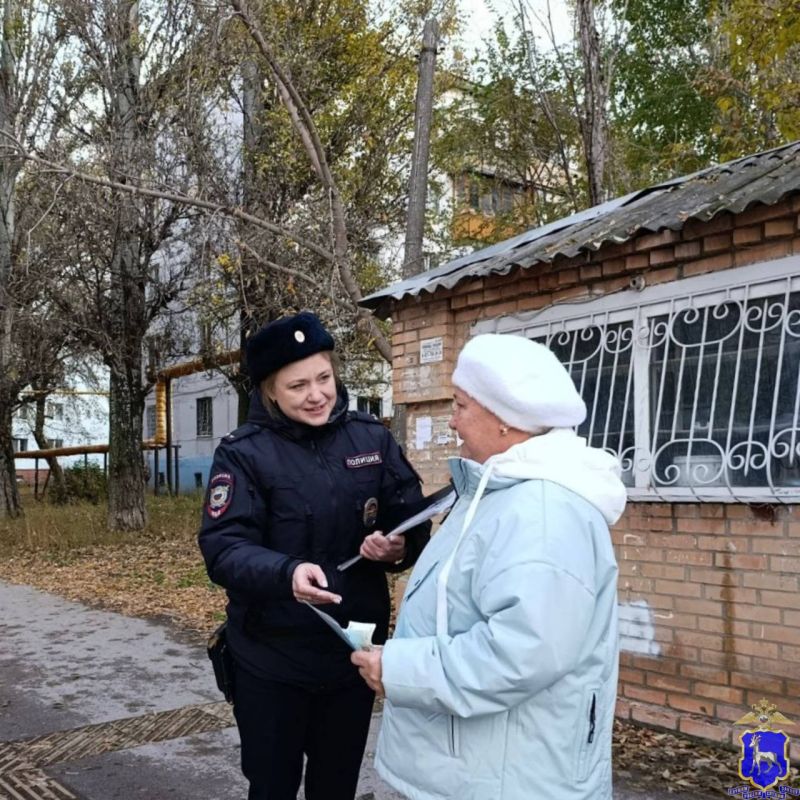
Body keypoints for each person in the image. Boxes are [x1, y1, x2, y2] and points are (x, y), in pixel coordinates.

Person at [352, 333, 627, 800]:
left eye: (460, 405)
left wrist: (400, 669)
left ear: (505, 419)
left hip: (512, 779)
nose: (453, 420)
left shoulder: (544, 512)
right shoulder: (500, 491)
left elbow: (518, 655)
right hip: (478, 768)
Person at [198, 311, 430, 800]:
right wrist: (287, 572)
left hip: (353, 657)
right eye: (298, 385)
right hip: (271, 658)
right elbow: (223, 548)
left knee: (336, 787)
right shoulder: (243, 453)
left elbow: (411, 518)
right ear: (270, 392)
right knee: (272, 786)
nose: (316, 394)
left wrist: (398, 546)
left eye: (323, 378)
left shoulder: (371, 438)